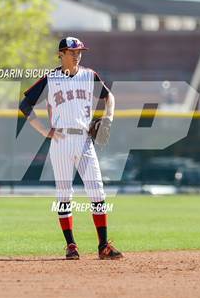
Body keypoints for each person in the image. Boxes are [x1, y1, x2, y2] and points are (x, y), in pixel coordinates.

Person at [19, 37, 123, 260]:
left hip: (85, 140)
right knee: (64, 195)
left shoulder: (89, 75)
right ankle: (71, 246)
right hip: (61, 140)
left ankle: (103, 245)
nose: (77, 55)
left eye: (79, 51)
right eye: (72, 51)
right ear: (61, 54)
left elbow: (109, 97)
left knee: (97, 192)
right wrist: (43, 131)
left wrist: (108, 120)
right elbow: (25, 105)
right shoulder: (51, 78)